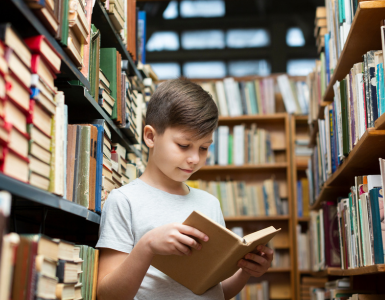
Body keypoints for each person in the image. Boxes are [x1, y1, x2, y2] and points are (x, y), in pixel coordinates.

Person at [96, 79, 274, 300]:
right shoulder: (124, 201)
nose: (194, 159)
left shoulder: (209, 203)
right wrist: (147, 246)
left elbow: (215, 290)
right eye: (183, 145)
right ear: (151, 137)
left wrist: (246, 271)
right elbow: (108, 296)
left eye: (204, 148)